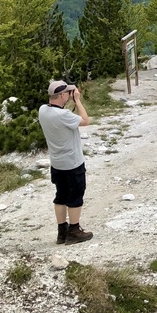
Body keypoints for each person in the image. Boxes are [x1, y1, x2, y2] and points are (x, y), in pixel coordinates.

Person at [38, 80, 93, 245]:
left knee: (60, 196)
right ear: (62, 95)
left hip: (57, 163)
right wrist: (78, 101)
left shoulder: (43, 110)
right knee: (75, 196)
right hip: (73, 163)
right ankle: (74, 231)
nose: (70, 95)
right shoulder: (63, 115)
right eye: (68, 93)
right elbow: (85, 120)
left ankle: (61, 232)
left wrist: (71, 98)